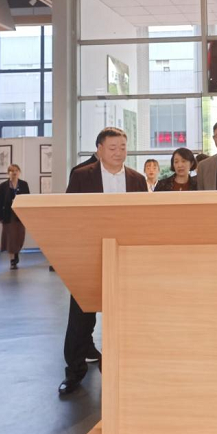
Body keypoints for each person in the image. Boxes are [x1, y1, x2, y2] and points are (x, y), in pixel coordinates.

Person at [59, 127, 147, 395]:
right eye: (112, 148)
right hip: (89, 253)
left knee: (126, 313)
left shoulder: (137, 179)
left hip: (125, 254)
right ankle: (74, 372)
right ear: (99, 149)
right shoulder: (81, 176)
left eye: (123, 147)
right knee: (81, 316)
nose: (119, 152)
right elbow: (69, 214)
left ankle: (127, 369)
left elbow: (143, 217)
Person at [0, 164, 30, 270]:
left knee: (19, 236)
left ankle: (16, 253)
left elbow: (27, 200)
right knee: (10, 237)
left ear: (19, 172)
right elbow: (0, 202)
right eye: (12, 171)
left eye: (16, 170)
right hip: (8, 215)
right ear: (8, 173)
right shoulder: (3, 186)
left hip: (20, 215)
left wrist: (28, 215)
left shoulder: (24, 184)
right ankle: (12, 260)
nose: (14, 172)